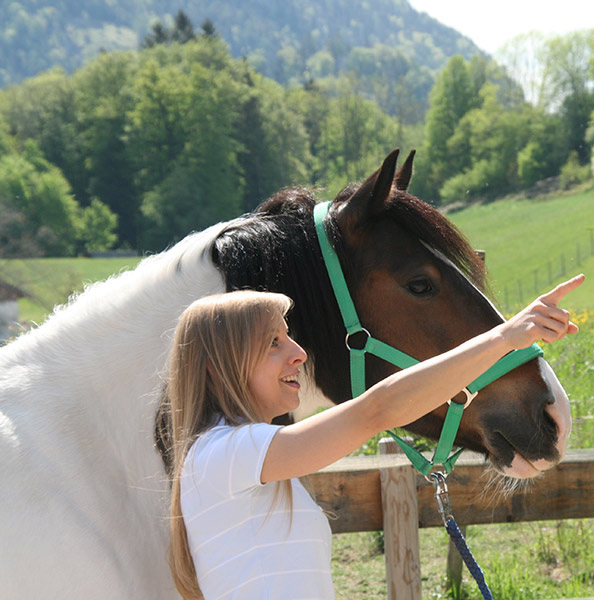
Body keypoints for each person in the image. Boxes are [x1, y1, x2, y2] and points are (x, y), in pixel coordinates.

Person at [166, 274, 584, 600]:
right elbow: (376, 410)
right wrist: (504, 340)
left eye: (289, 336)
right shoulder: (222, 455)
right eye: (274, 342)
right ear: (217, 367)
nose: (298, 352)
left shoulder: (239, 457)